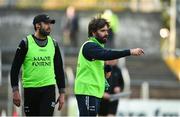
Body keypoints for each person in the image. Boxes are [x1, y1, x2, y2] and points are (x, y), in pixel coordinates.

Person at [74, 17, 144, 116]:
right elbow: (107, 54)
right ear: (93, 32)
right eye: (102, 31)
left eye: (107, 30)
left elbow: (104, 68)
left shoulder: (98, 48)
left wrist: (107, 68)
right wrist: (130, 51)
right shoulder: (89, 46)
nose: (106, 33)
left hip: (94, 92)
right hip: (87, 91)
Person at [10, 14, 65, 116]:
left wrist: (62, 93)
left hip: (48, 89)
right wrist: (15, 90)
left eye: (50, 24)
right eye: (46, 24)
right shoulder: (25, 43)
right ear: (37, 25)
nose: (49, 26)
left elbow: (59, 70)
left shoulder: (54, 44)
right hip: (30, 90)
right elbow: (15, 68)